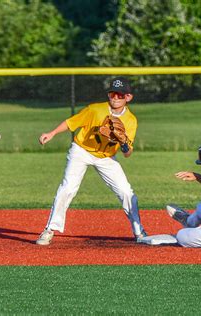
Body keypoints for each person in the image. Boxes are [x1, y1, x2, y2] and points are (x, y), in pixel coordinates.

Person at [36, 77, 147, 245]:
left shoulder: (130, 120)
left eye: (120, 94)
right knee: (68, 188)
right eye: (112, 94)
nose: (115, 98)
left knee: (126, 192)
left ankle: (139, 232)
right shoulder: (95, 110)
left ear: (128, 97)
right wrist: (51, 134)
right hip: (81, 151)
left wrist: (123, 142)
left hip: (106, 157)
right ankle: (50, 229)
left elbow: (128, 153)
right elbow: (71, 123)